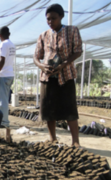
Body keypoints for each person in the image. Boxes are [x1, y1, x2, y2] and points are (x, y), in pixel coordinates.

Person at [33, 4, 83, 147]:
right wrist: (42, 66)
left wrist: (63, 64)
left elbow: (78, 51)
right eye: (48, 19)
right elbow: (36, 57)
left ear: (61, 16)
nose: (50, 21)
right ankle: (52, 138)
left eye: (53, 18)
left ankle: (75, 141)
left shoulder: (72, 31)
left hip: (66, 75)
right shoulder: (43, 35)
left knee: (70, 109)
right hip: (48, 78)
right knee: (49, 109)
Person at [0, 26, 16, 128]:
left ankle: (4, 122)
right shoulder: (12, 45)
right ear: (9, 34)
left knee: (2, 101)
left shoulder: (3, 44)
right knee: (5, 100)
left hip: (3, 75)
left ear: (0, 35)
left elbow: (2, 60)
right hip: (10, 75)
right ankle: (4, 120)